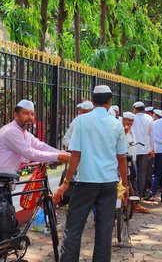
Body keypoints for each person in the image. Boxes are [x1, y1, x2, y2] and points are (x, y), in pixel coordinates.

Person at [53, 85, 128, 262]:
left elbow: (76, 154)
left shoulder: (81, 120)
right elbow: (122, 158)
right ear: (109, 101)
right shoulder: (117, 124)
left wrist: (66, 181)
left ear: (92, 100)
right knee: (104, 229)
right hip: (109, 183)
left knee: (74, 227)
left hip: (85, 182)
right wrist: (124, 184)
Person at [0, 100, 70, 197]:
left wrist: (64, 154)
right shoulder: (11, 131)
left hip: (2, 181)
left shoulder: (25, 134)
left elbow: (41, 146)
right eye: (25, 113)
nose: (30, 117)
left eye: (32, 114)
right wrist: (58, 156)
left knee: (7, 211)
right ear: (16, 115)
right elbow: (30, 153)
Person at [122, 111, 150, 213]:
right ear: (123, 119)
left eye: (132, 121)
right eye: (129, 120)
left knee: (133, 180)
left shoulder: (131, 129)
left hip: (131, 158)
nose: (130, 123)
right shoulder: (121, 130)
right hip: (123, 159)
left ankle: (135, 203)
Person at [131, 101, 155, 198]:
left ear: (135, 109)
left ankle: (133, 194)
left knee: (133, 173)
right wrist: (151, 149)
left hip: (133, 148)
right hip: (145, 149)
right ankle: (140, 195)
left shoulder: (132, 118)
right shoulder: (149, 118)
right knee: (142, 173)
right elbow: (152, 135)